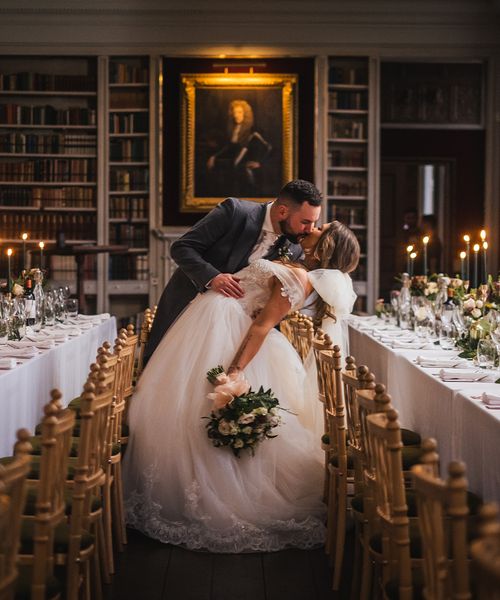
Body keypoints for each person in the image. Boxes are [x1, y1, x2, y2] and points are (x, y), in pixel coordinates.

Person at [123, 221, 360, 553]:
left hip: (227, 332)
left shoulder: (300, 278)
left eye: (322, 226)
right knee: (174, 404)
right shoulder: (298, 263)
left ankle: (220, 494)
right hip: (210, 323)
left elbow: (263, 326)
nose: (314, 226)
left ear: (328, 244)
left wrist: (234, 372)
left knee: (198, 406)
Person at [143, 179, 323, 365]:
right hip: (188, 313)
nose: (309, 229)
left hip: (234, 334)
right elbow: (182, 247)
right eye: (305, 222)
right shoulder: (235, 212)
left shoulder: (294, 246)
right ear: (283, 211)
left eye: (314, 223)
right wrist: (212, 277)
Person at [205, 99, 272, 197]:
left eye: (240, 112)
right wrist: (214, 157)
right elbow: (229, 147)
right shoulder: (234, 128)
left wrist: (260, 162)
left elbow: (269, 148)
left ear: (246, 114)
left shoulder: (253, 130)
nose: (236, 115)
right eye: (235, 112)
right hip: (234, 165)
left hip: (245, 167)